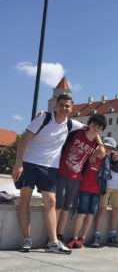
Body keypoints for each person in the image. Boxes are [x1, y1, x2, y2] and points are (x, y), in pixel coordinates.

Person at [12, 94, 82, 254]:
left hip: (50, 167)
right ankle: (27, 239)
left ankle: (53, 242)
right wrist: (18, 163)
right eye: (61, 105)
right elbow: (24, 139)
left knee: (51, 202)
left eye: (67, 106)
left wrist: (99, 144)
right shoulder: (43, 119)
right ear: (55, 106)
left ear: (71, 109)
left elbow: (92, 128)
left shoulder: (72, 124)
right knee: (25, 200)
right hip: (29, 163)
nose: (64, 108)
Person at [55, 114, 107, 243]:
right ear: (89, 124)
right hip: (61, 171)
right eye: (94, 125)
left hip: (76, 177)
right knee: (58, 206)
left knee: (67, 207)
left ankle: (60, 234)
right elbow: (63, 122)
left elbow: (103, 153)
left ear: (102, 129)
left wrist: (100, 143)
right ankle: (52, 235)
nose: (96, 128)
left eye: (99, 127)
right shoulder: (77, 133)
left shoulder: (96, 144)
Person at [66, 137, 116, 249]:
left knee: (91, 214)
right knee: (81, 213)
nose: (107, 150)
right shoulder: (91, 155)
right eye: (106, 147)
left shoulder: (108, 159)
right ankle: (74, 237)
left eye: (110, 149)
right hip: (84, 188)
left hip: (97, 190)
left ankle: (82, 237)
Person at [90, 141, 118, 247]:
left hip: (117, 188)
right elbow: (116, 157)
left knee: (116, 211)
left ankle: (113, 236)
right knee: (102, 210)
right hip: (106, 186)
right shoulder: (115, 156)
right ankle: (96, 237)